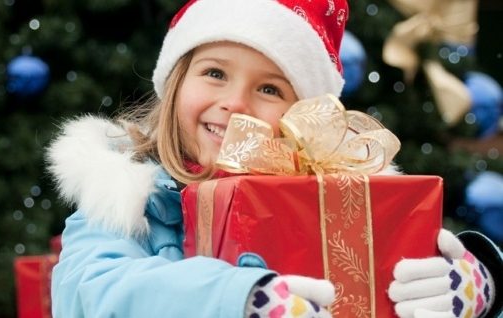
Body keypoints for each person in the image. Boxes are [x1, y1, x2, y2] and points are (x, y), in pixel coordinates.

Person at [46, 0, 503, 317]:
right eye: (215, 73)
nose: (237, 104)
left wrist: (480, 284)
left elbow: (416, 261)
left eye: (269, 89)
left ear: (305, 114)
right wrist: (237, 300)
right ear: (175, 84)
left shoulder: (343, 196)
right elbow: (87, 293)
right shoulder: (126, 200)